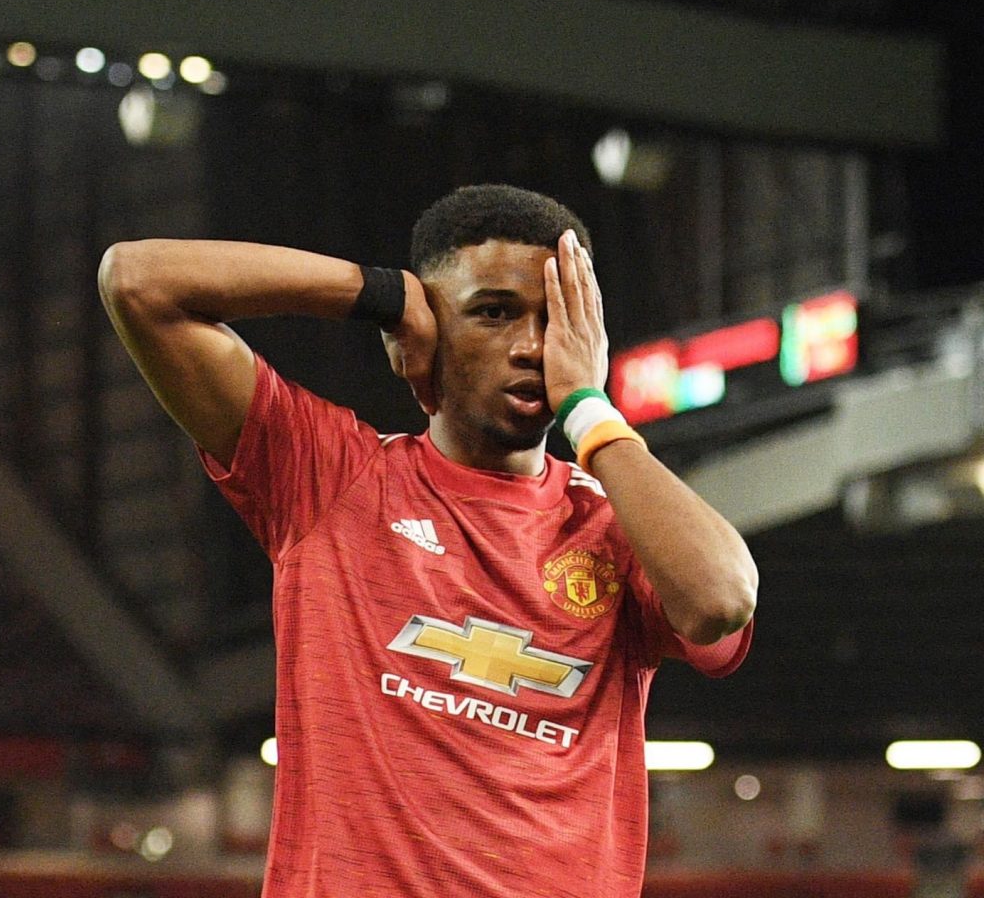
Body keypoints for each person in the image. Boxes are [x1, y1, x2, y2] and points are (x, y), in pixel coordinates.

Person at [98, 183, 758, 898]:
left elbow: (722, 600)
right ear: (430, 328)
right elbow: (138, 282)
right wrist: (382, 294)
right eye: (493, 313)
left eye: (556, 319)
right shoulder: (330, 478)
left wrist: (591, 411)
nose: (532, 347)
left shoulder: (615, 527)